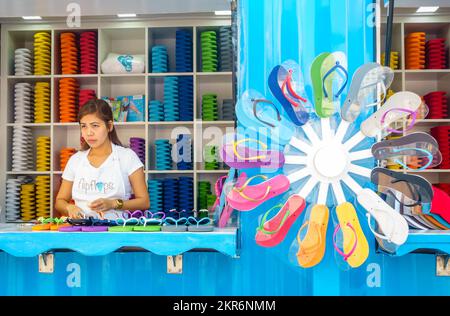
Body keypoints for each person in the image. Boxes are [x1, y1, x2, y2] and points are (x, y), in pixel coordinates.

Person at [55, 98, 150, 219]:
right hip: (82, 231)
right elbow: (60, 201)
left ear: (109, 126)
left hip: (116, 231)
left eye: (95, 126)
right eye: (84, 126)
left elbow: (144, 202)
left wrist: (113, 204)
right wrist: (69, 207)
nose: (89, 133)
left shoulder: (127, 157)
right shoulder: (75, 160)